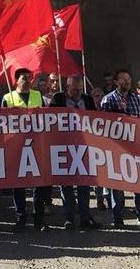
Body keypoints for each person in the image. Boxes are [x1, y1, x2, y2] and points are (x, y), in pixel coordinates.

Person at [100, 70, 140, 229]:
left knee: (139, 185)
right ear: (116, 82)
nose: (127, 82)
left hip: (136, 148)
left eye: (129, 79)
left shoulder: (137, 99)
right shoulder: (108, 100)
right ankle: (118, 217)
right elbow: (104, 123)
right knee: (118, 186)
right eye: (123, 79)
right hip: (117, 149)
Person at [3, 68, 53, 231]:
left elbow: (46, 117)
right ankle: (21, 217)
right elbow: (0, 121)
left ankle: (38, 218)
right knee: (18, 184)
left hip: (36, 144)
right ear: (16, 80)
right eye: (24, 77)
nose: (27, 80)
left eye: (29, 77)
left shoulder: (38, 96)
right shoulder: (8, 97)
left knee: (39, 183)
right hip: (16, 146)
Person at [53, 76, 101, 230]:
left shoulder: (87, 99)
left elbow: (95, 120)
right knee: (66, 184)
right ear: (67, 87)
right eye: (74, 89)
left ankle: (85, 217)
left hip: (83, 147)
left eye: (80, 89)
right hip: (63, 146)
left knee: (84, 184)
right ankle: (69, 217)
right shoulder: (58, 99)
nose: (78, 93)